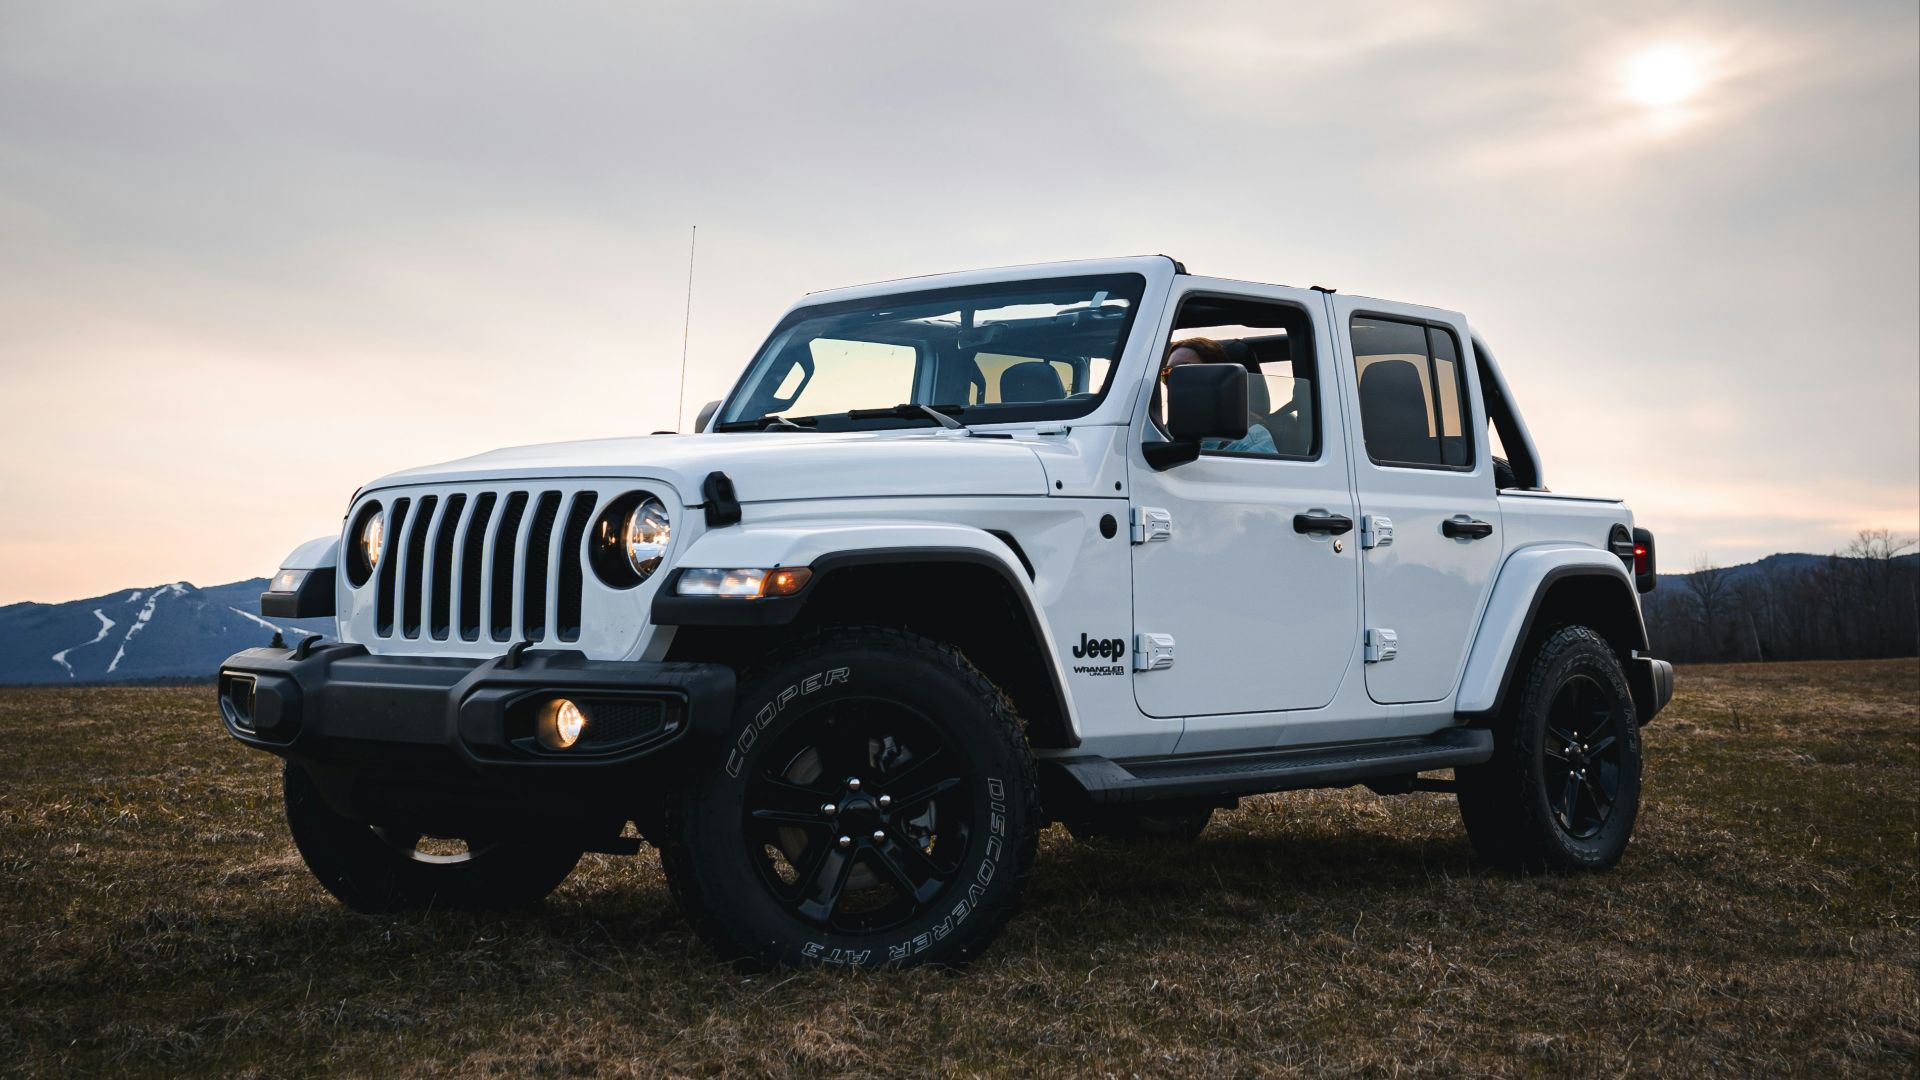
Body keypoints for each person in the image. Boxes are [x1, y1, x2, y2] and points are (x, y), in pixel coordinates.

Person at [1162, 337, 1277, 455]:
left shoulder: (1252, 438)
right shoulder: (1157, 434)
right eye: (1168, 373)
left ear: (1216, 378)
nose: (1174, 381)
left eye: (1185, 371)